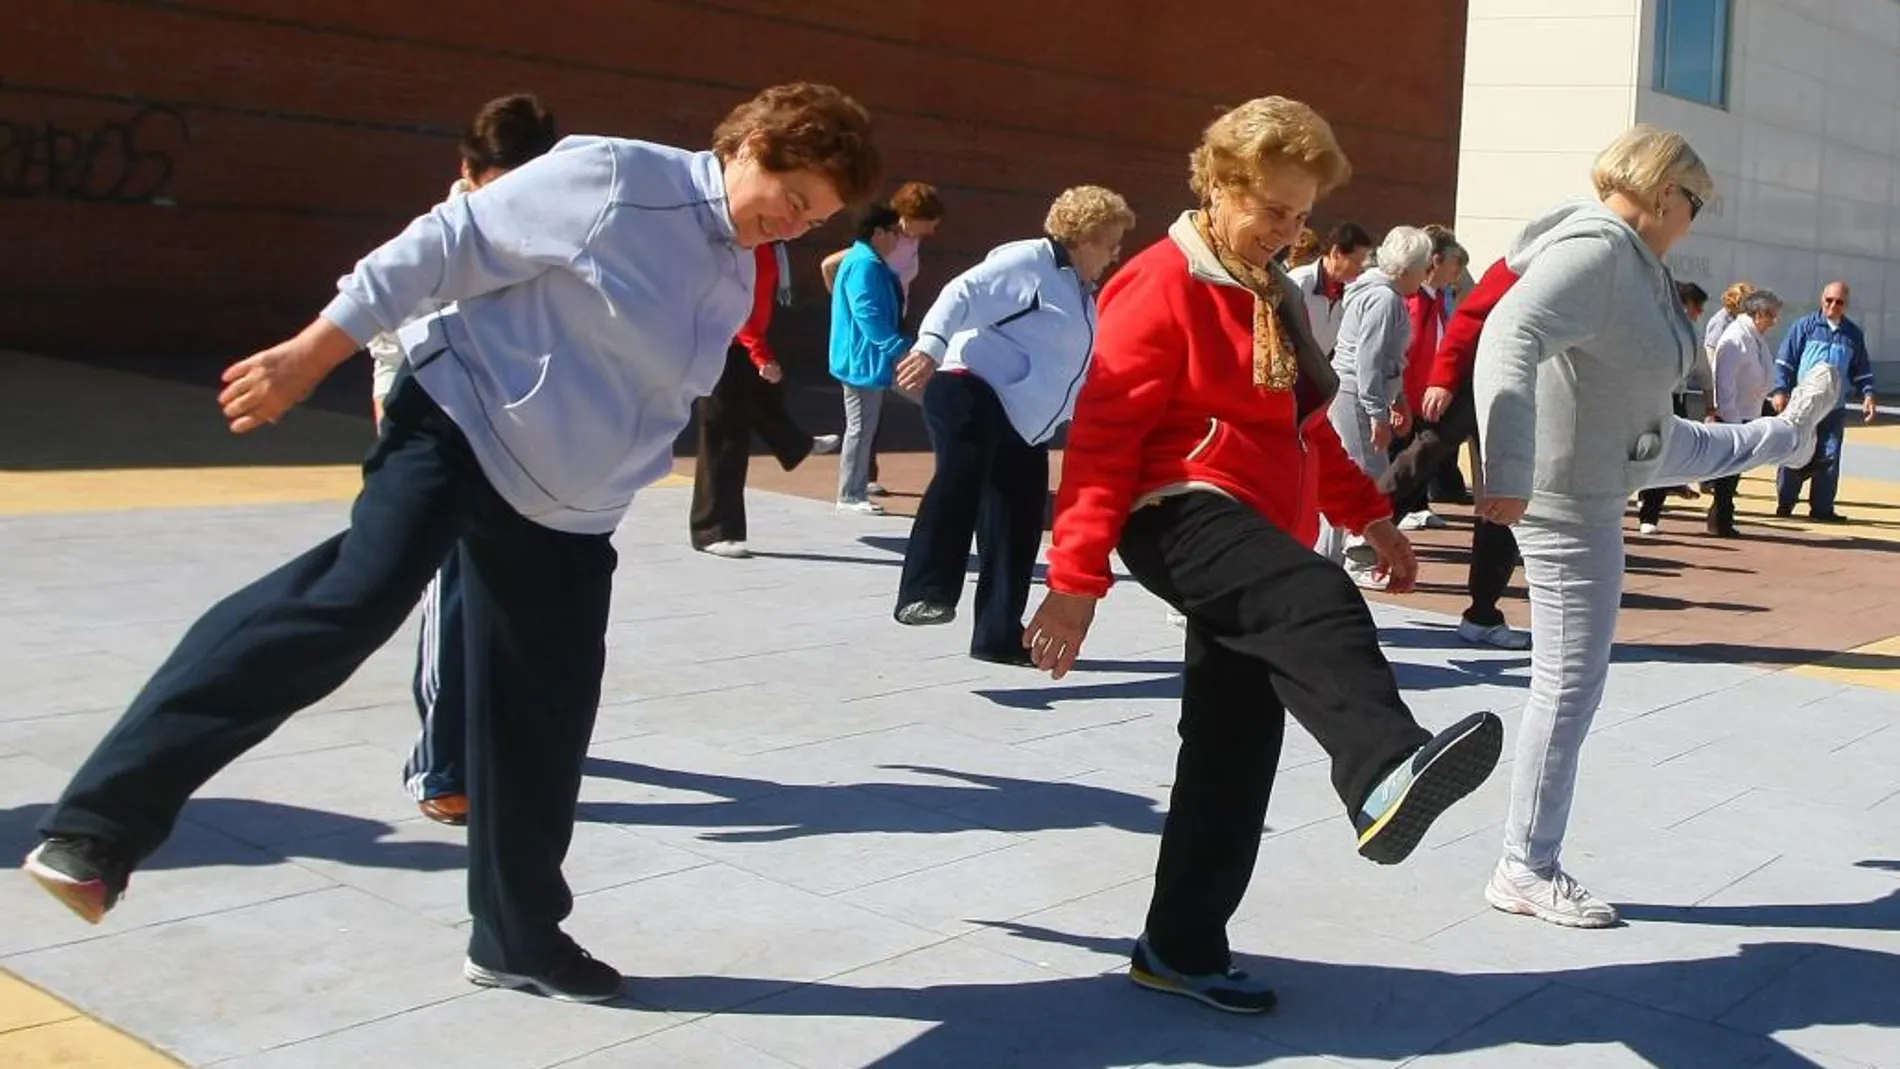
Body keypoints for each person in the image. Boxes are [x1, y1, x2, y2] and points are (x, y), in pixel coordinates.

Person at [22, 82, 881, 1003]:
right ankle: (98, 825)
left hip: (564, 513)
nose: (790, 228)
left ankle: (517, 937)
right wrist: (313, 352)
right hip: (461, 426)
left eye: (812, 221)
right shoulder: (618, 176)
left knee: (542, 721)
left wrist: (615, 485)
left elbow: (657, 387)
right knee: (352, 596)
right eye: (792, 201)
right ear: (752, 144)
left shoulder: (728, 264)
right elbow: (444, 246)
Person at [1022, 96, 1504, 1014]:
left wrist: (1371, 516)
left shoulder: (1268, 292)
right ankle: (1383, 770)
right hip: (1180, 506)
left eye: (1299, 213)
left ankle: (1180, 945)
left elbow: (1305, 432)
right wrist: (1074, 580)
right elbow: (1104, 436)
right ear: (1217, 185)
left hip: (1254, 523)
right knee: (1314, 597)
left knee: (1232, 748)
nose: (1287, 230)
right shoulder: (1160, 282)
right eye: (1271, 208)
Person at [1472, 125, 1841, 928]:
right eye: (1696, 205)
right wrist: (1505, 465)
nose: (1695, 222)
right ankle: (1525, 865)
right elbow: (1509, 332)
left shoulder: (1637, 263)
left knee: (1735, 447)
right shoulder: (1600, 251)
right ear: (1667, 192)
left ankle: (1793, 434)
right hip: (1573, 496)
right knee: (1567, 686)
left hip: (1632, 455)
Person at [364, 92, 558, 827]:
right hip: (442, 430)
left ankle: (509, 724)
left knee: (527, 596)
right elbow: (386, 332)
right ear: (468, 171)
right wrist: (395, 422)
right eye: (500, 185)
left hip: (531, 443)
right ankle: (441, 763)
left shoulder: (552, 232)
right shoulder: (438, 236)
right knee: (454, 598)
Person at [892, 186, 1136, 664]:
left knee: (1018, 523)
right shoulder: (1032, 261)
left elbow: (1077, 370)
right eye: (1111, 243)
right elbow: (963, 292)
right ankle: (925, 591)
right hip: (970, 386)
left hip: (1021, 423)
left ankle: (998, 635)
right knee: (963, 470)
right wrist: (929, 345)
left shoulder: (1083, 297)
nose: (1114, 255)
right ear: (1085, 236)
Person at [688, 240, 842, 559]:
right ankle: (712, 530)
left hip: (740, 343)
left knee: (762, 401)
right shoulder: (745, 245)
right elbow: (735, 305)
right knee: (725, 436)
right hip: (724, 344)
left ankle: (795, 443)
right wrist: (760, 354)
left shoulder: (770, 246)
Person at [1317, 225, 1432, 588]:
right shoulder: (1385, 299)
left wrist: (1395, 399)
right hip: (1355, 395)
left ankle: (1333, 561)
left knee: (1355, 478)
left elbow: (1384, 361)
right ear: (1409, 268)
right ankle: (1351, 558)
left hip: (1354, 393)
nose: (1427, 274)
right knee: (1363, 479)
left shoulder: (1377, 293)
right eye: (1424, 266)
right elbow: (1370, 361)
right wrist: (1378, 413)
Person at [824, 181, 945, 495]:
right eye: (929, 222)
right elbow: (835, 271)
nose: (932, 230)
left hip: (887, 330)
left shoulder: (901, 242)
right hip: (875, 340)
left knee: (870, 415)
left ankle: (859, 483)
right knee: (866, 417)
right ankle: (853, 490)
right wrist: (844, 307)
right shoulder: (869, 256)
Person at [1771, 281, 1881, 522]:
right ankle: (1785, 503)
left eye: (1839, 302)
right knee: (1795, 451)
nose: (1833, 305)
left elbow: (1861, 370)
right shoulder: (1804, 327)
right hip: (1804, 406)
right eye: (1829, 300)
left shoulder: (1853, 335)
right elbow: (1785, 361)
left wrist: (1869, 395)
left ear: (1846, 304)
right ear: (1822, 300)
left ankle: (1822, 509)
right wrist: (1780, 390)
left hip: (1834, 409)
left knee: (1829, 455)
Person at [829, 204, 910, 514]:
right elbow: (868, 315)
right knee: (861, 426)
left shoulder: (866, 260)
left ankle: (854, 489)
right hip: (864, 360)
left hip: (869, 358)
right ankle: (849, 494)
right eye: (895, 232)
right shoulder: (865, 265)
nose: (898, 239)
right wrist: (899, 348)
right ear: (878, 233)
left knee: (863, 425)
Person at [1392, 228, 1469, 531]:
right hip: (1408, 397)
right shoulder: (1416, 301)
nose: (1458, 271)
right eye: (1454, 263)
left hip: (1423, 397)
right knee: (1402, 459)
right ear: (1435, 262)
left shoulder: (1437, 299)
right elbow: (1405, 352)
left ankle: (1415, 505)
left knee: (1419, 458)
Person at [1635, 280, 1713, 534]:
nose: (1699, 312)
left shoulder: (1691, 333)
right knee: (1640, 450)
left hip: (1675, 399)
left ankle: (1650, 513)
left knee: (1666, 454)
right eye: (1696, 306)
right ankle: (1642, 495)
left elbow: (1704, 372)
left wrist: (1710, 406)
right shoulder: (1656, 326)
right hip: (1650, 395)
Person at [1705, 288, 1783, 537]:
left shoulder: (1754, 336)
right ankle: (1720, 520)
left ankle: (1722, 517)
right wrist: (1734, 423)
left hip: (1749, 410)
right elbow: (1724, 384)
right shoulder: (1736, 338)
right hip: (1733, 415)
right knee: (1727, 474)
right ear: (1759, 313)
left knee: (1734, 473)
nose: (1774, 321)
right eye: (1771, 315)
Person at [1284, 221, 1374, 359]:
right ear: (1336, 253)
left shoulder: (1347, 294)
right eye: (1356, 262)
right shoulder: (1299, 283)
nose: (1359, 270)